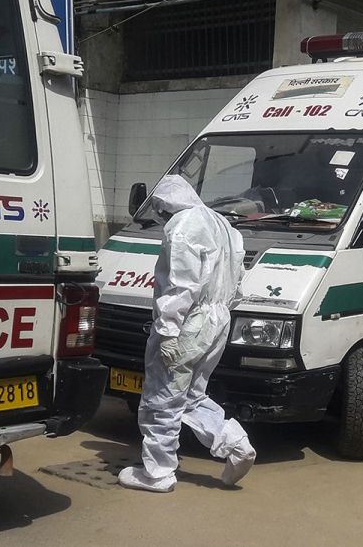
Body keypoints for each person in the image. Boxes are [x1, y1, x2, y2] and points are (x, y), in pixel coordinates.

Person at [118, 175, 256, 493]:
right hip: (217, 321)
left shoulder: (183, 225)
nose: (163, 218)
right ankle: (236, 444)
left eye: (161, 211)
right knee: (191, 398)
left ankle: (158, 473)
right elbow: (237, 279)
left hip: (188, 324)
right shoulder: (223, 226)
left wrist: (168, 329)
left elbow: (179, 282)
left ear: (167, 205)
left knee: (161, 400)